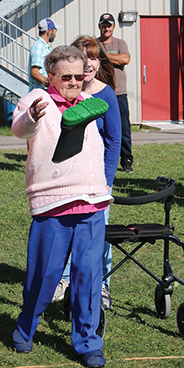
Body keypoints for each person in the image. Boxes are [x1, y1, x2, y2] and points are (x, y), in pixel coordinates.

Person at [11, 45, 112, 368]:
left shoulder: (89, 104)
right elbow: (19, 129)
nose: (73, 82)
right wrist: (31, 118)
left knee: (89, 276)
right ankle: (25, 328)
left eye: (78, 76)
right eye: (65, 76)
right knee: (45, 276)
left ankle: (87, 342)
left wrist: (103, 185)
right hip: (53, 204)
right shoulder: (36, 100)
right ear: (51, 76)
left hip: (92, 204)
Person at [53, 37, 122, 309]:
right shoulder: (70, 94)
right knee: (70, 231)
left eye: (93, 57)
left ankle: (101, 285)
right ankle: (67, 280)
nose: (89, 63)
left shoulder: (106, 95)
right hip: (71, 178)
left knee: (99, 235)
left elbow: (114, 140)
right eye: (83, 58)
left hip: (98, 181)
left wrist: (106, 181)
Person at [97, 13, 133, 173]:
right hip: (98, 93)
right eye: (104, 25)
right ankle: (100, 157)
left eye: (109, 25)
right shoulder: (94, 43)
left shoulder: (120, 43)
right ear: (99, 26)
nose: (106, 28)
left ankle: (126, 160)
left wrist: (102, 57)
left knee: (123, 127)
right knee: (99, 128)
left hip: (119, 93)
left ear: (113, 27)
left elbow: (125, 59)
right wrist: (112, 58)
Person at [28, 18, 61, 91]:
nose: (55, 34)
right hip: (39, 92)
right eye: (55, 31)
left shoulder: (44, 47)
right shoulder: (39, 47)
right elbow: (35, 73)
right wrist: (51, 86)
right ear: (49, 31)